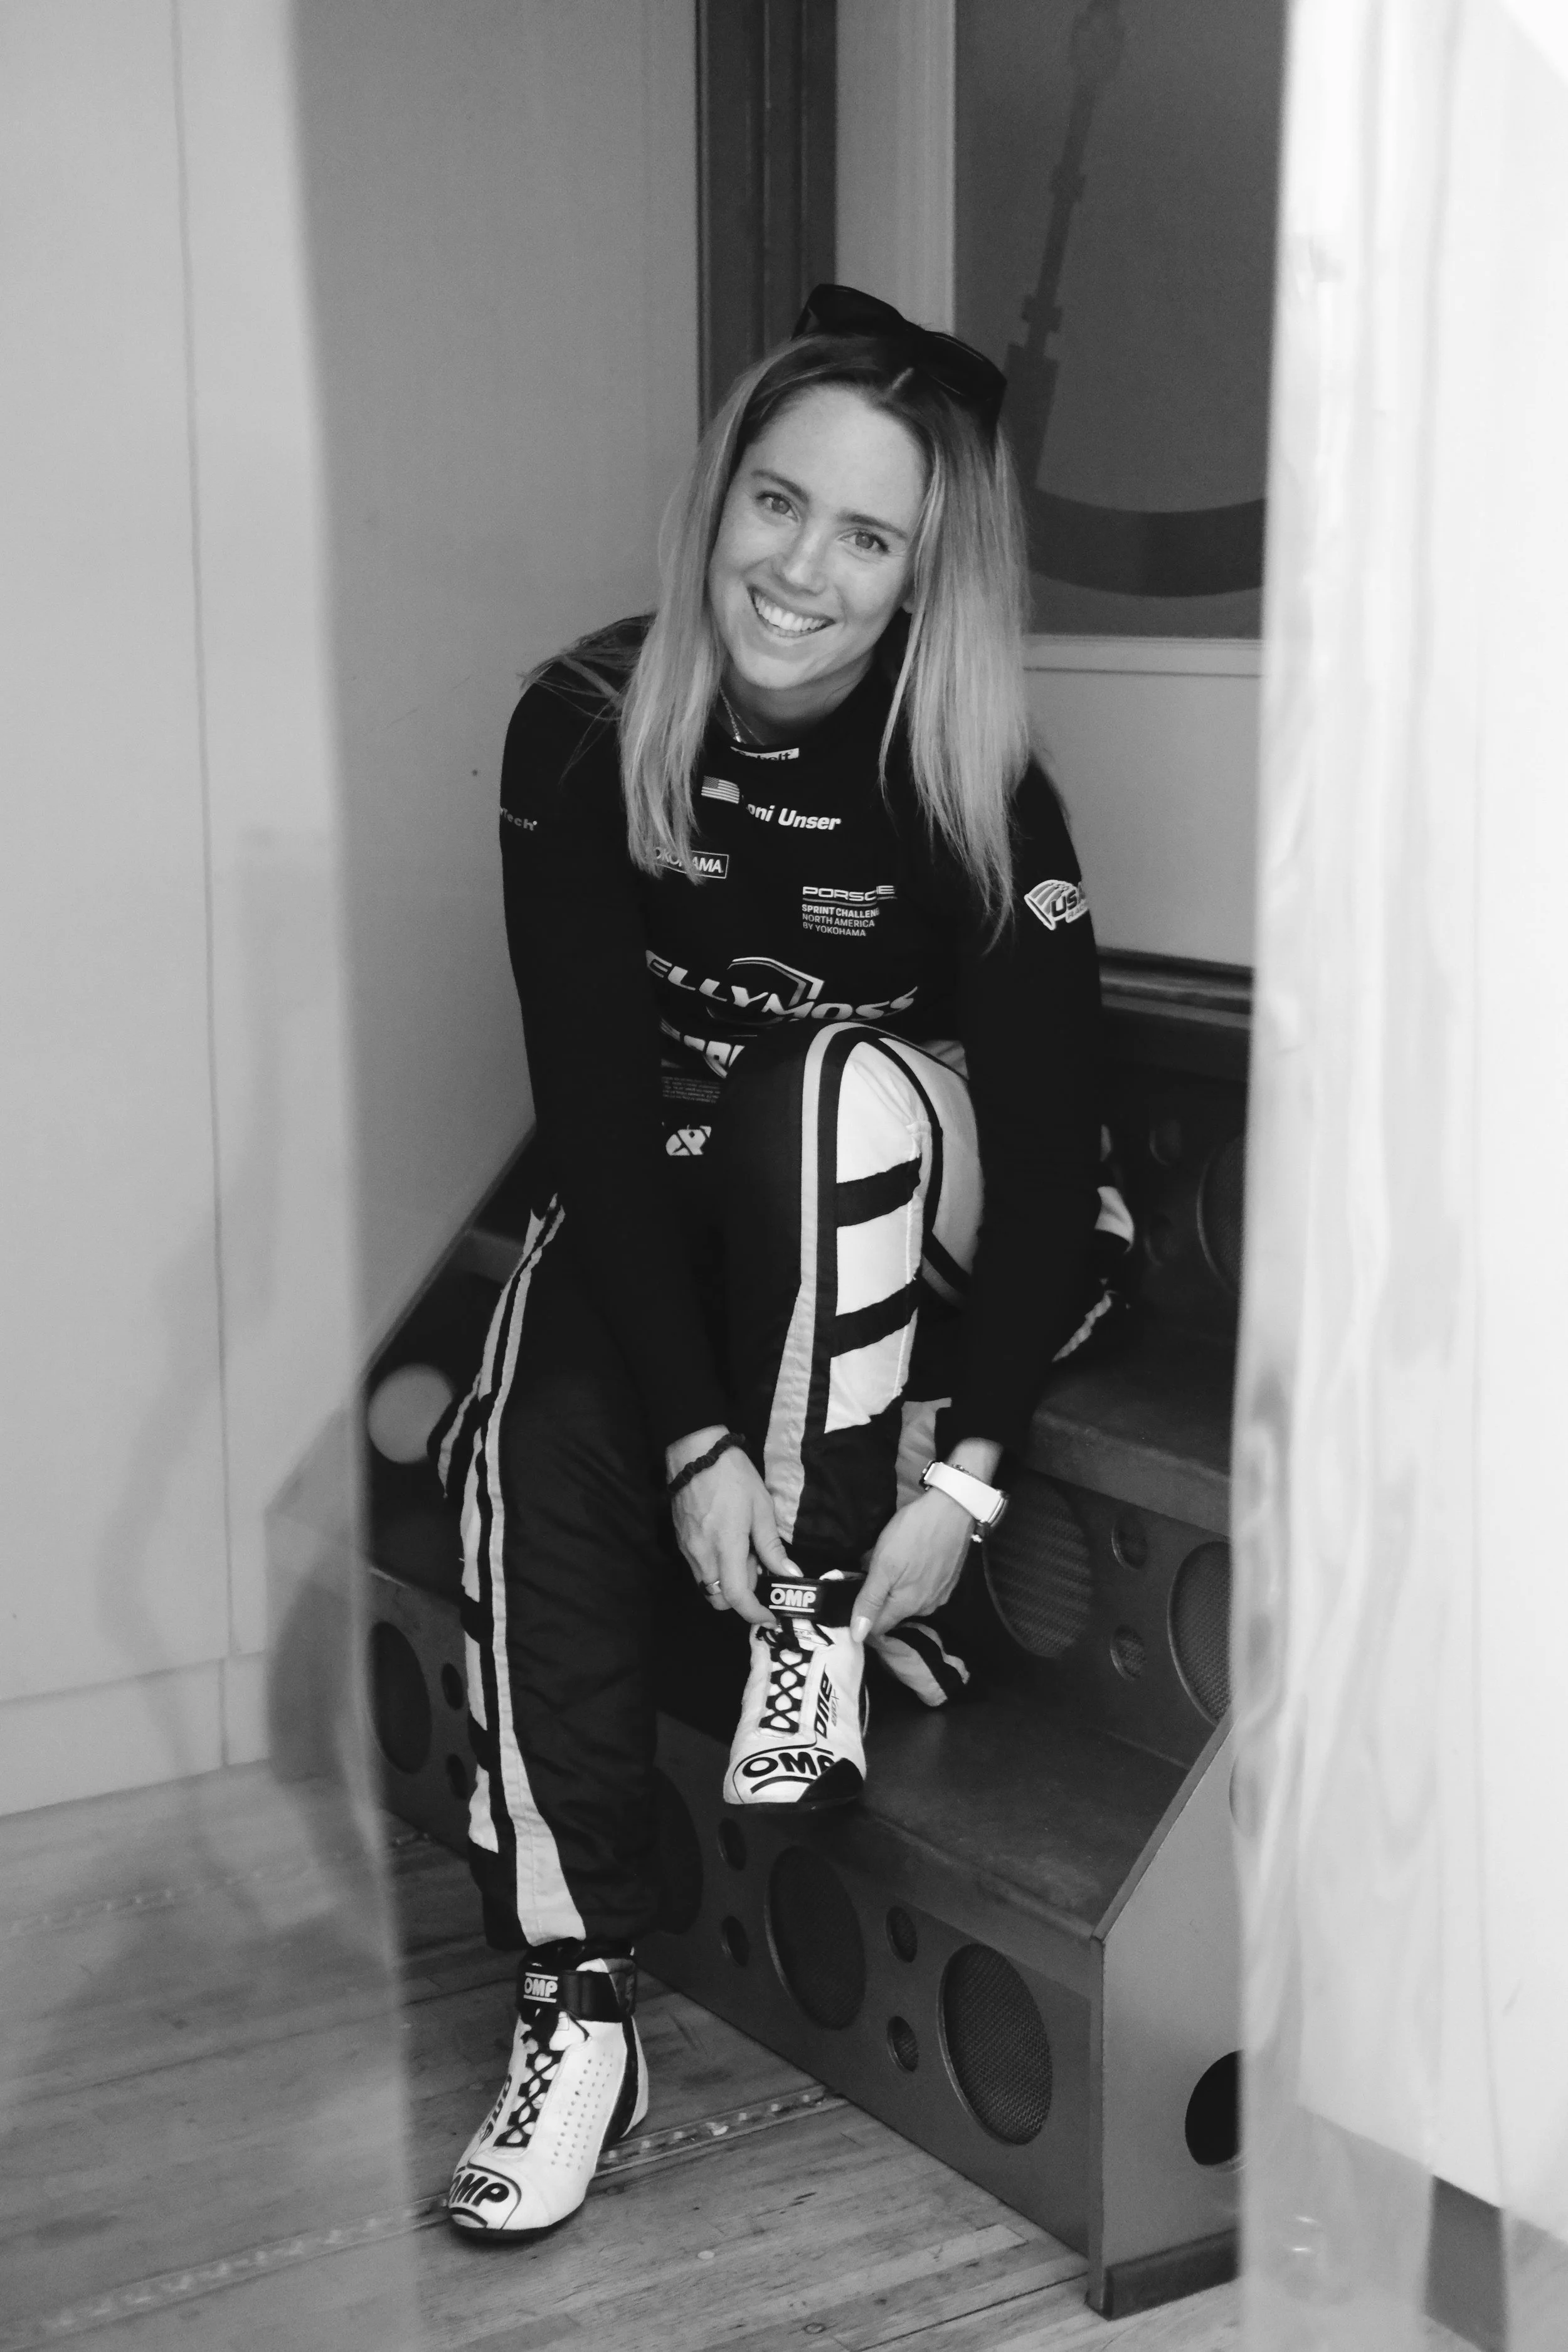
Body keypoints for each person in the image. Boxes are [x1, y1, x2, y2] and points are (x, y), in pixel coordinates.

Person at [436, 286, 1129, 2244]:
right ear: (718, 499)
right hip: (690, 1214)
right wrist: (684, 1441)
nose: (801, 568)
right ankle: (575, 1996)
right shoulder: (584, 723)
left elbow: (1052, 1154)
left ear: (919, 579)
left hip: (953, 1223)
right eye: (775, 502)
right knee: (531, 1421)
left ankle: (812, 1610)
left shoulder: (966, 768)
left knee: (820, 1086)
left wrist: (967, 1479)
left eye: (866, 535)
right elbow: (590, 1115)